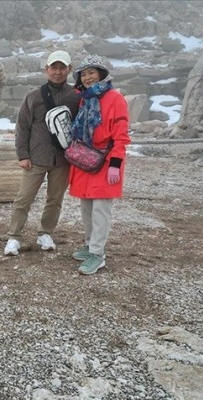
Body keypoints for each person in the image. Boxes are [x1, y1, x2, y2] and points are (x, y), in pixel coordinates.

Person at [4, 50, 80, 256]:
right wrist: (23, 155)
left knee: (55, 200)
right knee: (23, 199)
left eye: (62, 68)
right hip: (35, 158)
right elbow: (22, 127)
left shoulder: (76, 97)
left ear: (69, 69)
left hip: (63, 159)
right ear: (46, 69)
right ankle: (14, 236)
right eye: (53, 67)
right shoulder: (33, 96)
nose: (57, 72)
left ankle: (46, 233)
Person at [68, 55, 131, 275]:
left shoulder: (115, 98)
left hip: (105, 161)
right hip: (85, 160)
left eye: (91, 72)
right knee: (86, 208)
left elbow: (121, 134)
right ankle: (89, 245)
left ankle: (98, 254)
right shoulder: (85, 98)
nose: (87, 77)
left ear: (101, 73)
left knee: (101, 210)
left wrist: (115, 163)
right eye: (83, 74)